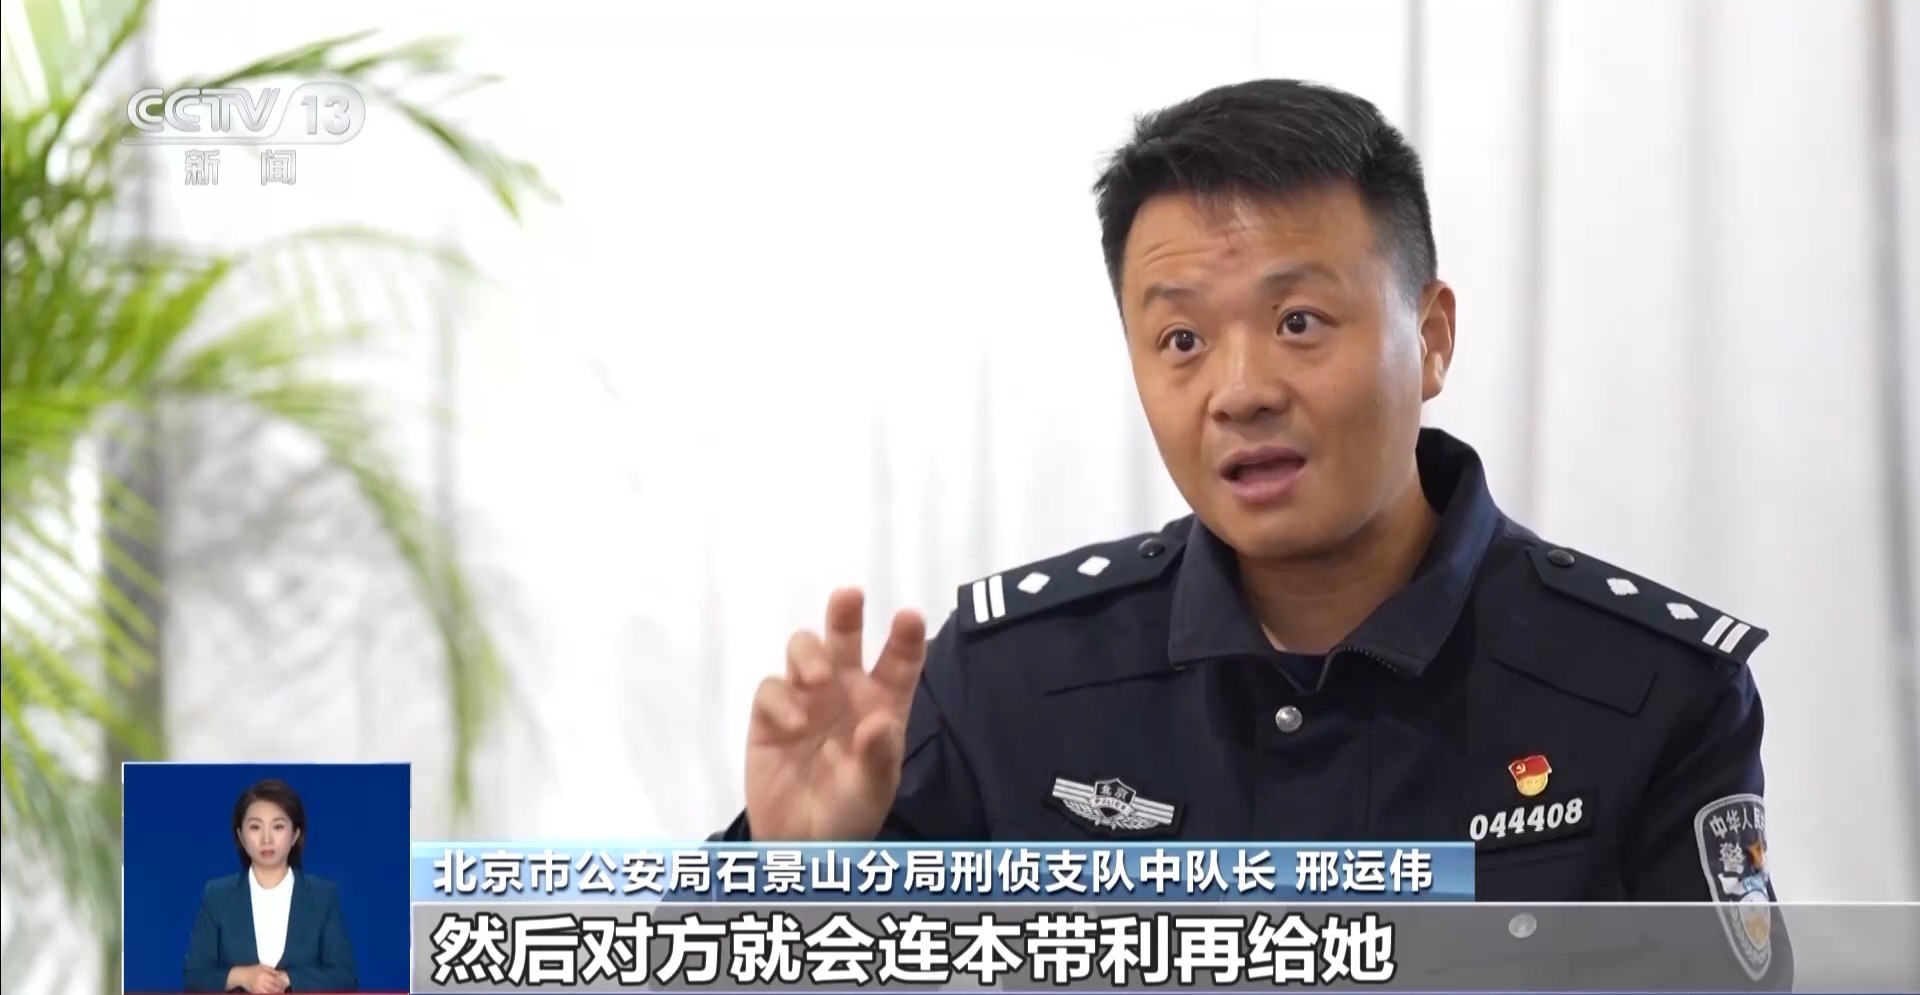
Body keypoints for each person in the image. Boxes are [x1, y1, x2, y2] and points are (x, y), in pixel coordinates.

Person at [713, 79, 1792, 989]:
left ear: (1431, 337)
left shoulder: (1647, 690)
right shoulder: (1013, 681)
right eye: (1182, 338)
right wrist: (781, 875)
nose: (1240, 390)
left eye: (1297, 322)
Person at [184, 779, 359, 993]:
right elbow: (194, 977)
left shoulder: (323, 896)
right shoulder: (217, 895)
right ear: (241, 836)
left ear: (295, 834)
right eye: (255, 827)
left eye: (278, 826)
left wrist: (289, 979)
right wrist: (243, 976)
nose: (266, 839)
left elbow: (345, 977)